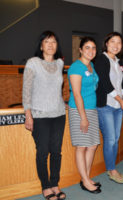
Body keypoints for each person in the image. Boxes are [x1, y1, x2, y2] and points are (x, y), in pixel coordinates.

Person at [22, 30, 66, 200]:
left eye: (54, 41)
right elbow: (26, 91)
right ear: (41, 45)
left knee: (56, 151)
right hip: (39, 115)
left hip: (59, 114)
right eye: (47, 41)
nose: (50, 45)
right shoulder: (33, 63)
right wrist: (28, 114)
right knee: (42, 152)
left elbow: (57, 90)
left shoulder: (60, 64)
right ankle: (45, 186)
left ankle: (55, 183)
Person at [68, 37, 101, 194]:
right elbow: (76, 94)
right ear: (80, 50)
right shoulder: (76, 67)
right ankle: (86, 181)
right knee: (81, 146)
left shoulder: (91, 65)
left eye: (93, 48)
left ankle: (85, 178)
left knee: (93, 145)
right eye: (87, 47)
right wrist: (83, 117)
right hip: (79, 111)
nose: (91, 51)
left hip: (92, 109)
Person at [94, 32, 123, 184]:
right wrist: (121, 100)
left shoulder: (119, 62)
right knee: (111, 139)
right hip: (106, 105)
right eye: (113, 41)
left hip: (118, 106)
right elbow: (105, 83)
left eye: (119, 42)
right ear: (106, 43)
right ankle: (111, 169)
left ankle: (111, 167)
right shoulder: (101, 59)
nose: (116, 45)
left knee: (116, 138)